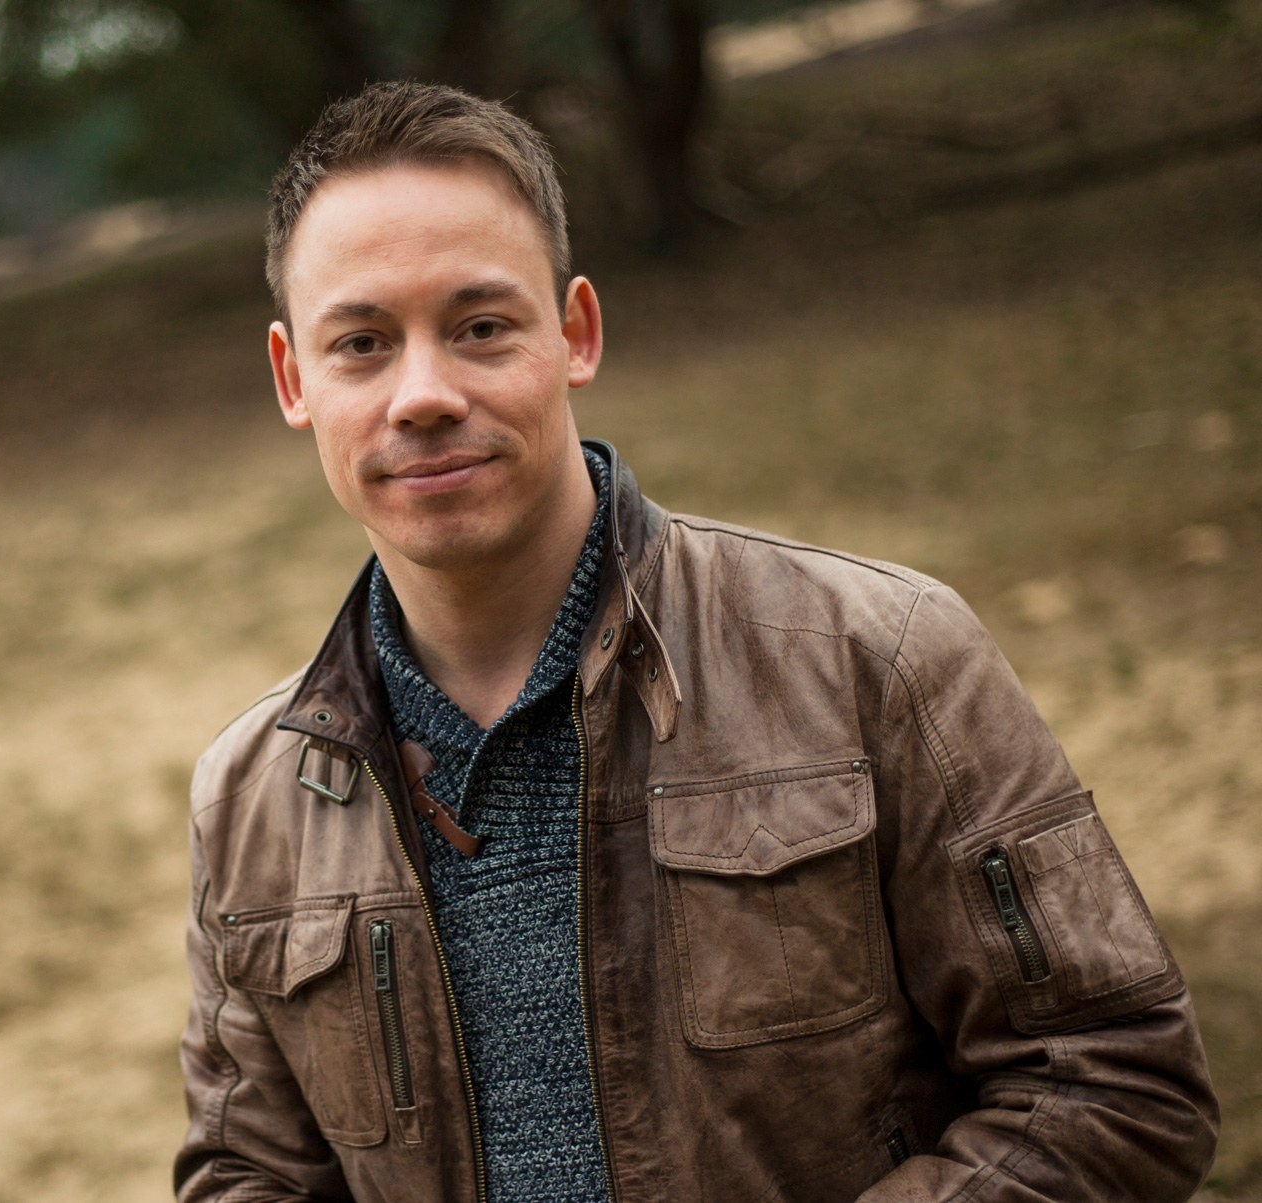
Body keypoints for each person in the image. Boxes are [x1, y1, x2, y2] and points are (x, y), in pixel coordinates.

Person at [173, 82, 1218, 1203]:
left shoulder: (878, 656)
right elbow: (247, 1174)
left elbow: (1115, 1084)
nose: (422, 394)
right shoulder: (250, 796)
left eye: (480, 327)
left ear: (575, 333)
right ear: (295, 380)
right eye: (363, 343)